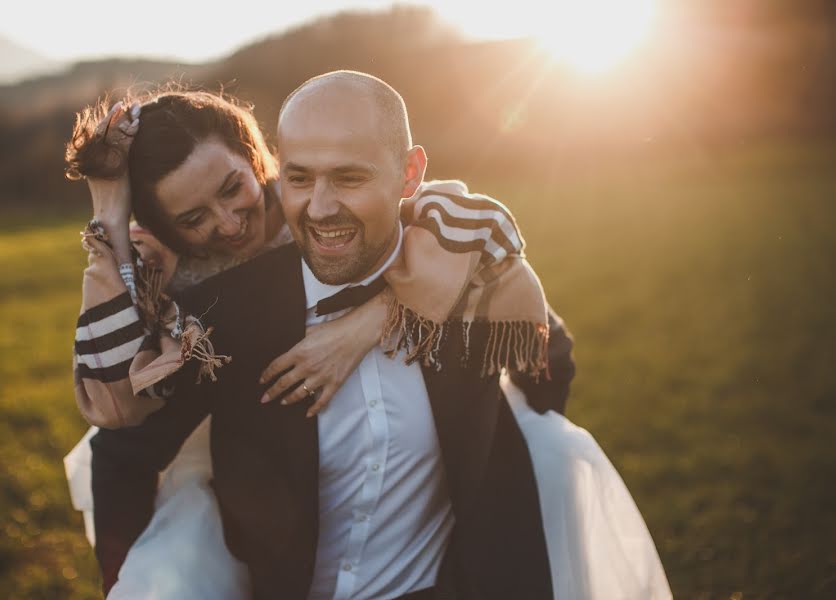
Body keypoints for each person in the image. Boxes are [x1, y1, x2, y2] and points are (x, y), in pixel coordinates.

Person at [71, 73, 670, 599]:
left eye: (234, 192)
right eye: (194, 219)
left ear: (259, 165)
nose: (229, 225)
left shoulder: (447, 267)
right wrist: (124, 578)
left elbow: (545, 355)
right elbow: (120, 431)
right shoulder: (208, 316)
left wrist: (384, 318)